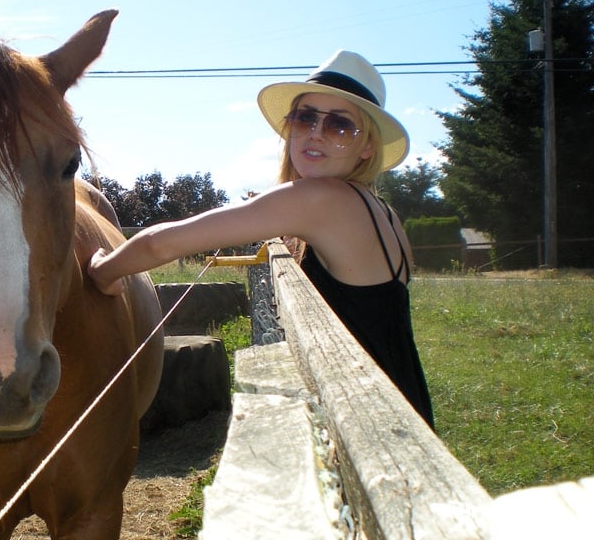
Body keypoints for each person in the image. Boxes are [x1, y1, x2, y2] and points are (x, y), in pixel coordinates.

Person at [88, 50, 434, 427]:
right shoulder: (381, 210)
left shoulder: (321, 199)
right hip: (401, 403)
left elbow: (162, 244)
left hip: (370, 418)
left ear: (367, 146)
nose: (316, 132)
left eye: (339, 125)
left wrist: (105, 270)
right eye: (305, 117)